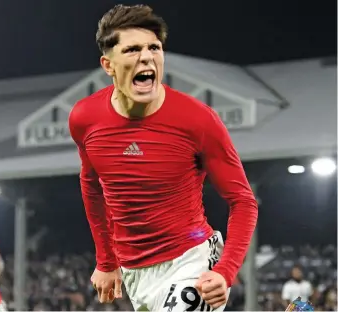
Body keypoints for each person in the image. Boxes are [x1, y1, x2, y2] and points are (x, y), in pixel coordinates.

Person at [68, 4, 258, 311]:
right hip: (134, 273)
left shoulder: (198, 120)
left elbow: (243, 200)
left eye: (154, 47)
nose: (146, 56)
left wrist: (225, 272)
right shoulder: (84, 118)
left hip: (191, 261)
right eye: (132, 49)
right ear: (108, 64)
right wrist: (106, 260)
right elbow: (92, 186)